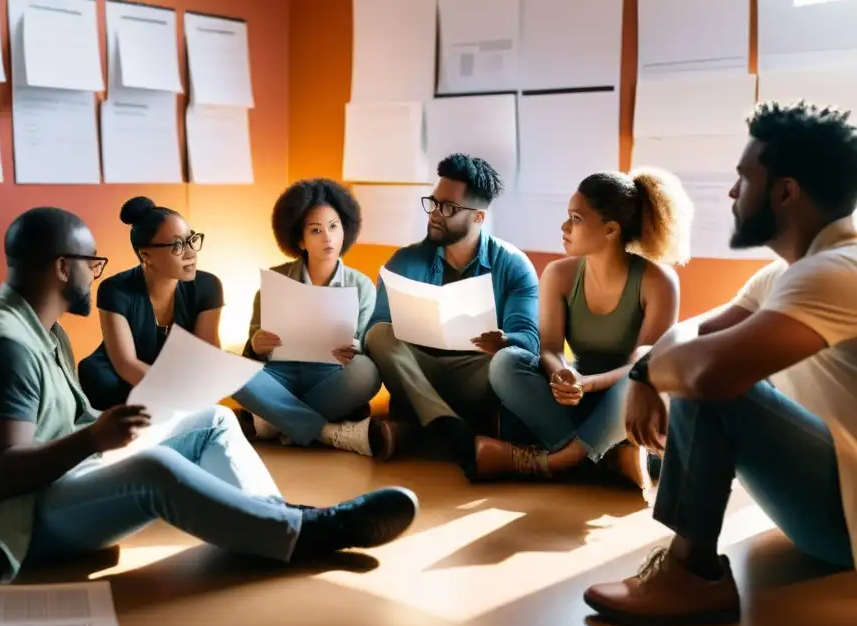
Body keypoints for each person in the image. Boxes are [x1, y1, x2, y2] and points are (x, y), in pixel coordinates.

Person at [0, 207, 418, 582]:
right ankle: (306, 533)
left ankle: (274, 517)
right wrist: (97, 438)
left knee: (212, 419)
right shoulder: (5, 349)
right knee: (154, 471)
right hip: (7, 524)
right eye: (89, 264)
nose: (95, 275)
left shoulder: (34, 323)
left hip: (55, 478)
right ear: (59, 268)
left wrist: (105, 431)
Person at [584, 102, 857, 626]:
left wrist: (649, 374)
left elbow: (710, 373)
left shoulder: (837, 270)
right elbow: (693, 330)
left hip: (847, 527)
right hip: (833, 507)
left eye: (743, 179)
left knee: (709, 385)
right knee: (692, 368)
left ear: (785, 192)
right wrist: (645, 368)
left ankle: (692, 574)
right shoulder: (788, 273)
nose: (732, 194)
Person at [475, 169, 691, 483]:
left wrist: (588, 383)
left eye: (576, 218)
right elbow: (549, 348)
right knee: (506, 362)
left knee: (636, 382)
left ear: (611, 230)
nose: (564, 227)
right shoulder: (558, 274)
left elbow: (642, 366)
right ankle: (611, 459)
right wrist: (561, 373)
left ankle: (550, 461)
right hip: (579, 398)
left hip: (630, 398)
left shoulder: (658, 281)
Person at [364, 153, 539, 476]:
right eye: (433, 202)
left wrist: (503, 340)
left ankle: (419, 428)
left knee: (508, 362)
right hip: (416, 369)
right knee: (378, 334)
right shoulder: (403, 261)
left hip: (475, 374)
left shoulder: (513, 266)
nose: (435, 214)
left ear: (478, 218)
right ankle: (449, 424)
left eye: (449, 208)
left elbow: (528, 340)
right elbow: (376, 329)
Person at [234, 179, 389, 457]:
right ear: (300, 240)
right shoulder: (275, 280)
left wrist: (354, 349)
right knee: (229, 371)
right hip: (281, 373)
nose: (328, 238)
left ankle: (273, 420)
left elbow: (364, 346)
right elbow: (253, 349)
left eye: (333, 226)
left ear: (345, 230)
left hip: (330, 377)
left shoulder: (362, 285)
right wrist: (257, 344)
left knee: (367, 372)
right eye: (316, 230)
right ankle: (326, 432)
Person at [78, 196, 225, 410]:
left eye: (191, 240)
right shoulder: (115, 289)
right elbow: (126, 364)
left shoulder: (207, 286)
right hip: (123, 378)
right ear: (146, 255)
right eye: (177, 245)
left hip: (177, 376)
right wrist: (173, 395)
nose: (191, 253)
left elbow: (206, 355)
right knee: (97, 376)